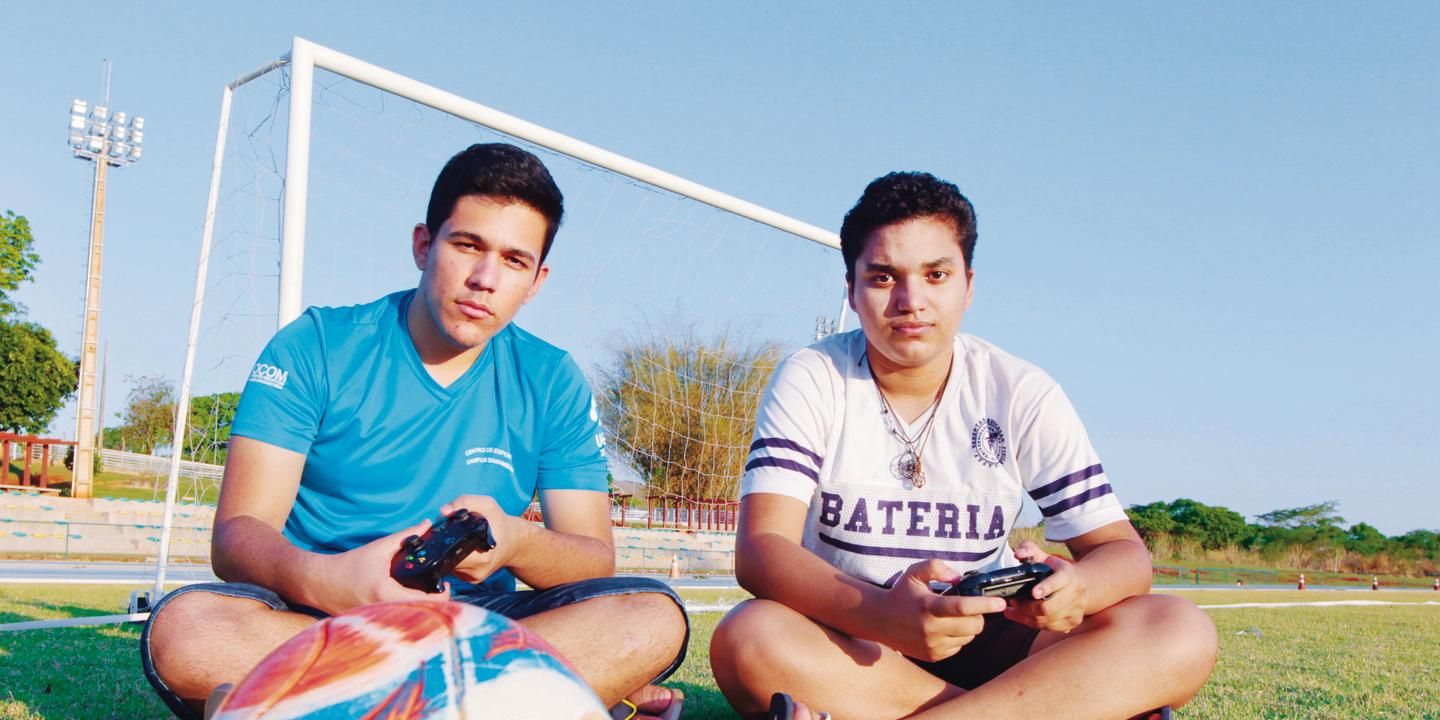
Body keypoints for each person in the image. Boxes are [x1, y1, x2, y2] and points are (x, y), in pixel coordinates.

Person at [140, 143, 687, 720]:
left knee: (651, 617)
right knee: (186, 630)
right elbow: (237, 535)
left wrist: (517, 541)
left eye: (514, 261)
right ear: (424, 245)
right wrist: (328, 579)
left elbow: (592, 557)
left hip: (482, 622)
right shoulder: (315, 345)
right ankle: (531, 701)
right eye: (467, 245)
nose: (485, 279)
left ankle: (294, 704)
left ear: (536, 280)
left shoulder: (552, 379)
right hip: (318, 615)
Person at [709, 172, 1217, 719]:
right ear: (851, 291)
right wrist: (883, 613)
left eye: (936, 274)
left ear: (968, 286)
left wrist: (1080, 587)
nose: (911, 300)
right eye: (883, 277)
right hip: (856, 640)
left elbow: (1124, 553)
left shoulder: (1018, 389)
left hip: (991, 639)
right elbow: (761, 549)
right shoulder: (814, 376)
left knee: (1177, 629)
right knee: (750, 637)